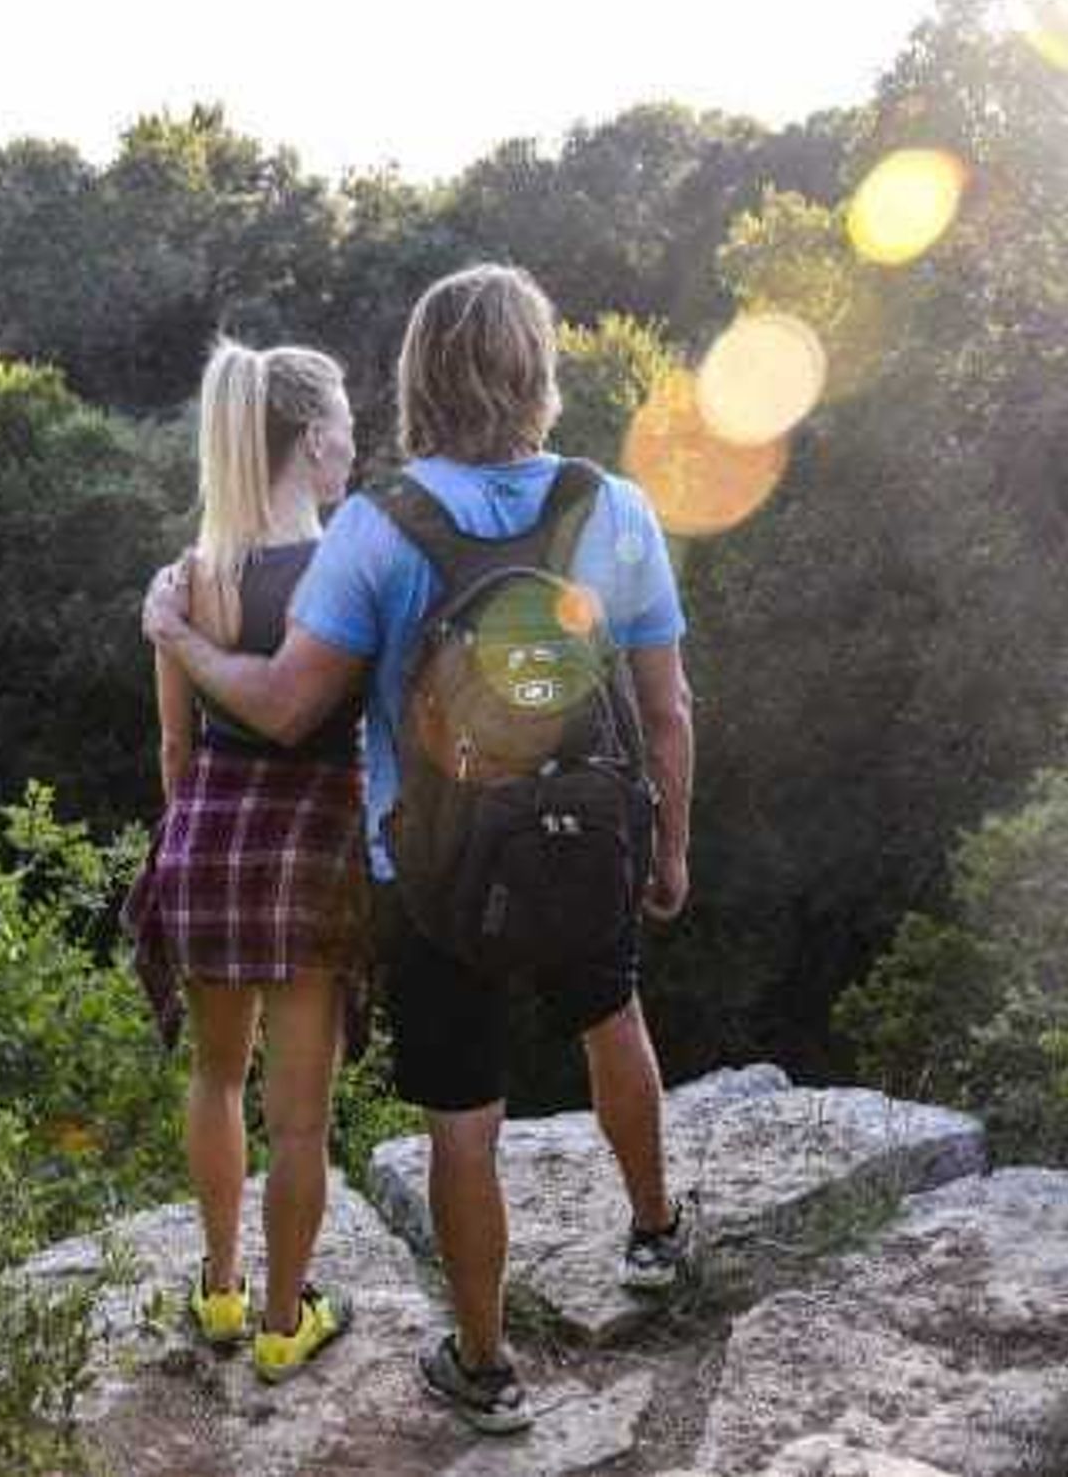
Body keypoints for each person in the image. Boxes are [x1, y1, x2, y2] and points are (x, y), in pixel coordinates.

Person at [142, 264, 695, 1436]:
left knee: (463, 1121)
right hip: (586, 837)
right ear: (537, 370)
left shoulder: (377, 527)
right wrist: (669, 849)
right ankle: (653, 1234)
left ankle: (483, 1367)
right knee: (612, 1020)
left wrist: (179, 638)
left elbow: (283, 706)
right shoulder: (611, 507)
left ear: (416, 376)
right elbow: (666, 709)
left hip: (434, 869)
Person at [122, 337, 369, 1386]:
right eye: (346, 427)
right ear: (311, 440)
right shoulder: (346, 571)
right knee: (298, 1118)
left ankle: (218, 1290)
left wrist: (199, 832)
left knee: (216, 1075)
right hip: (310, 853)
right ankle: (281, 1322)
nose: (353, 446)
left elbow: (174, 753)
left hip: (206, 849)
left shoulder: (192, 577)